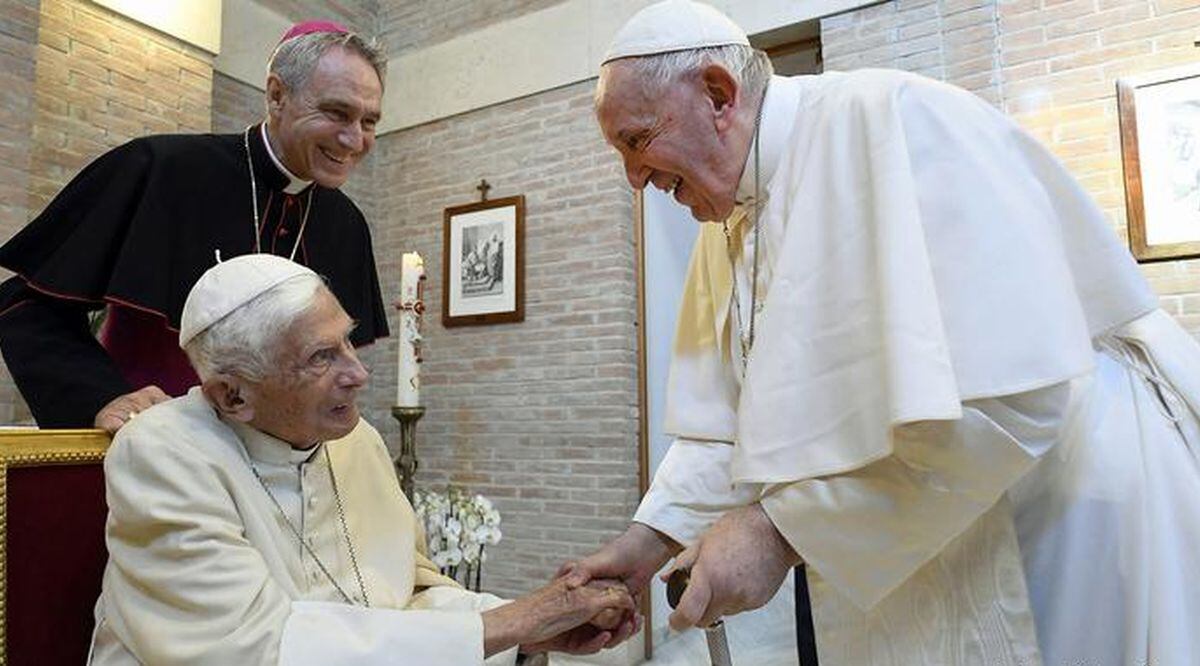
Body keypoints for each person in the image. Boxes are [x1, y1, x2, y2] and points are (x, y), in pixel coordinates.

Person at [563, 1, 1200, 665]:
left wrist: (781, 532)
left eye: (637, 141)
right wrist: (647, 541)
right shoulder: (728, 218)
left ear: (718, 94)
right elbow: (723, 425)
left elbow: (1014, 400)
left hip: (1054, 519)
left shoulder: (894, 119)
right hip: (928, 538)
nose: (634, 178)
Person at [89, 253, 638, 665]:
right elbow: (255, 649)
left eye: (347, 342)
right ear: (233, 396)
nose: (358, 373)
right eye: (321, 357)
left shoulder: (357, 441)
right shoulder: (164, 452)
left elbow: (411, 593)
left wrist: (527, 633)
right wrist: (513, 624)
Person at [0, 21, 389, 434]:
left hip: (281, 464)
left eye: (369, 122)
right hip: (156, 446)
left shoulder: (347, 225)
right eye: (336, 113)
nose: (354, 140)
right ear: (277, 95)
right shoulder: (162, 170)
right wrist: (101, 398)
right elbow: (26, 307)